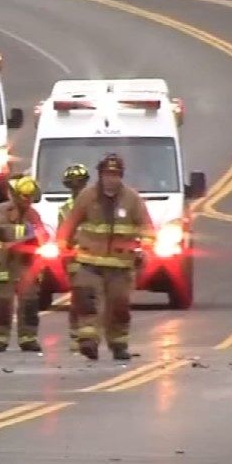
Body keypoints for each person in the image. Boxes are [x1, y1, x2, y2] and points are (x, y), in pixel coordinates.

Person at [59, 153, 154, 361]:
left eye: (115, 175)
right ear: (100, 176)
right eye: (107, 174)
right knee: (87, 301)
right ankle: (88, 341)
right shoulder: (87, 197)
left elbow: (147, 228)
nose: (111, 179)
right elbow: (69, 225)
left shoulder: (132, 199)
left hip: (120, 265)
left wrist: (144, 248)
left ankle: (118, 344)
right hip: (88, 262)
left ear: (121, 176)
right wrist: (62, 247)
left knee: (118, 305)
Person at [0, 175, 49, 352]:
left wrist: (38, 236)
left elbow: (42, 234)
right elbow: (1, 230)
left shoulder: (33, 214)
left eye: (30, 197)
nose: (28, 201)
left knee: (29, 301)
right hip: (3, 263)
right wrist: (28, 232)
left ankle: (28, 338)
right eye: (24, 196)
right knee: (3, 302)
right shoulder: (1, 211)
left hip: (26, 264)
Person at [58, 163, 90, 345]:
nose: (77, 187)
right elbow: (62, 236)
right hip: (74, 260)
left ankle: (88, 333)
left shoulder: (94, 204)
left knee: (92, 298)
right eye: (73, 183)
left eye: (80, 182)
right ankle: (75, 334)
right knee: (78, 297)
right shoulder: (65, 209)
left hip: (94, 257)